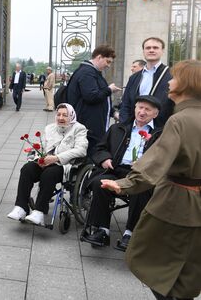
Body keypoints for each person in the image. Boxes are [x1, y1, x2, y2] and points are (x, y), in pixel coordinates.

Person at [101, 60, 201, 300]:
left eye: (175, 78)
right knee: (190, 267)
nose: (169, 82)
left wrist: (124, 184)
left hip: (175, 204)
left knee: (147, 258)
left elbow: (156, 162)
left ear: (186, 84)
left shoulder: (179, 120)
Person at [80, 96, 162, 251]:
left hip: (141, 174)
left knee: (141, 187)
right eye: (140, 107)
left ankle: (130, 233)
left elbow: (163, 159)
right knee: (100, 183)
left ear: (155, 114)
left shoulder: (160, 134)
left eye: (147, 109)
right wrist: (104, 159)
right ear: (135, 108)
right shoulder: (118, 128)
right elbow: (99, 149)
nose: (142, 112)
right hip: (115, 169)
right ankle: (101, 230)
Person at [7, 103, 88, 225]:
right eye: (58, 114)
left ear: (71, 116)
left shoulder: (79, 129)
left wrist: (56, 158)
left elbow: (81, 150)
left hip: (64, 165)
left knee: (49, 174)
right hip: (46, 161)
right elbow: (44, 147)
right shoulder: (50, 128)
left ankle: (39, 211)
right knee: (27, 169)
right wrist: (39, 159)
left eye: (65, 115)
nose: (61, 118)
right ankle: (21, 207)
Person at [66, 45, 121, 156]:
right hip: (89, 125)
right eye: (108, 61)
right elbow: (91, 96)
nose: (108, 66)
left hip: (91, 123)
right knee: (90, 153)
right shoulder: (87, 72)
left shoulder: (91, 71)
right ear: (99, 57)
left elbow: (99, 97)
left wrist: (113, 112)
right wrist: (109, 89)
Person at [119, 37, 173, 127]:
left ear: (162, 51)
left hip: (160, 128)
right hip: (134, 128)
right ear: (143, 51)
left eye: (155, 48)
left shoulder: (171, 76)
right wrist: (124, 125)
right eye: (148, 48)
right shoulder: (134, 77)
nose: (151, 50)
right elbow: (126, 103)